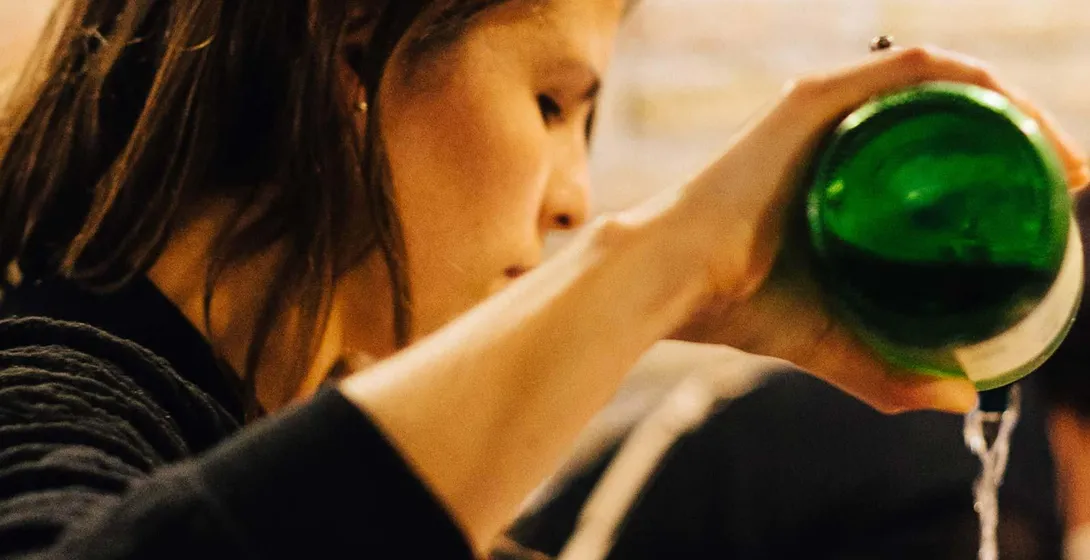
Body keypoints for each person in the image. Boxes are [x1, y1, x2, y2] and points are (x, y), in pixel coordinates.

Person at [0, 1, 1085, 558]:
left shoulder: (237, 428)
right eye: (552, 103)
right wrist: (661, 262)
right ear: (353, 50)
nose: (573, 200)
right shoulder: (48, 376)